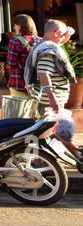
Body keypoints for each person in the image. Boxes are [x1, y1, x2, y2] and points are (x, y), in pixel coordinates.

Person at [28, 19, 79, 162]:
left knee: (55, 131)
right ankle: (41, 161)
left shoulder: (45, 45)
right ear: (56, 33)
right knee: (57, 131)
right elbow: (44, 74)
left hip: (53, 100)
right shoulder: (48, 51)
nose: (64, 39)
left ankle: (76, 155)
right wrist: (53, 99)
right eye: (62, 35)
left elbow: (58, 43)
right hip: (50, 101)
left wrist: (66, 35)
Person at [5, 14, 40, 94]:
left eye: (15, 25)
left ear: (20, 26)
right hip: (36, 83)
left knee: (19, 106)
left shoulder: (15, 41)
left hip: (18, 82)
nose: (14, 27)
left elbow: (10, 64)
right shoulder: (40, 41)